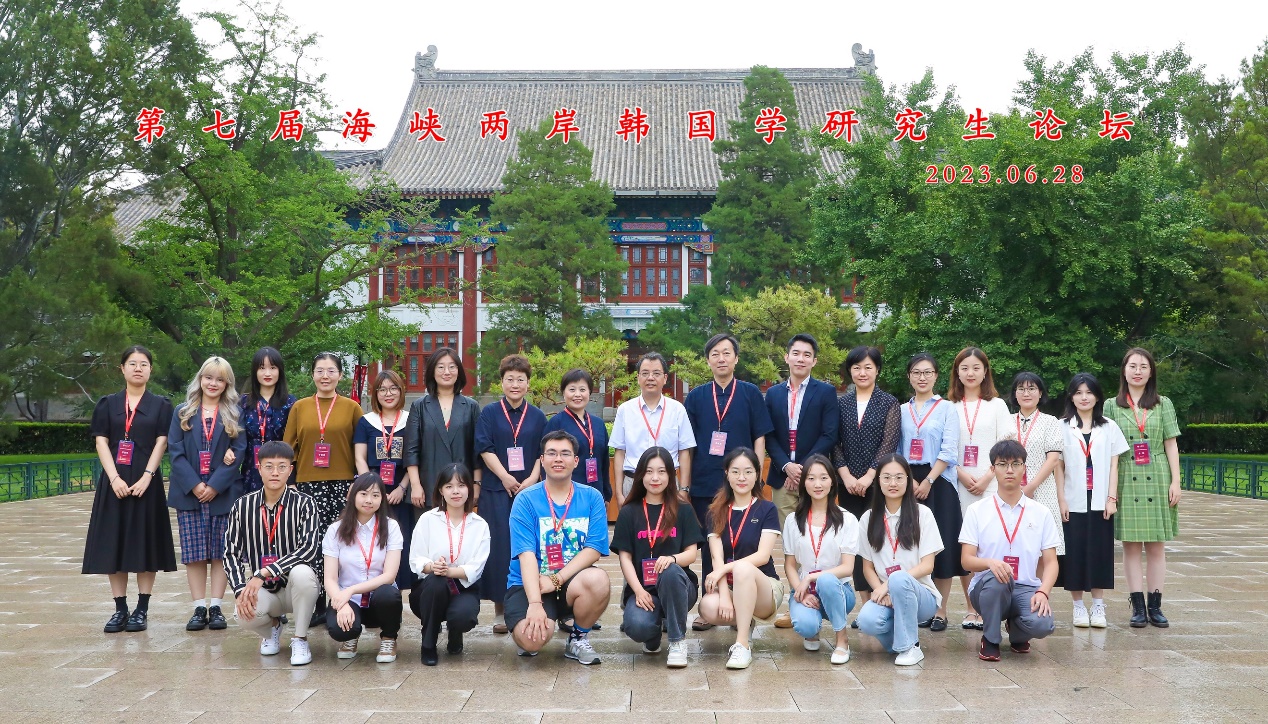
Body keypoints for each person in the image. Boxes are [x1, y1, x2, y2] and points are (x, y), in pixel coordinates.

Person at [83, 345, 177, 633]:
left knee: (145, 545)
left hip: (146, 483)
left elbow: (162, 441)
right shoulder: (107, 404)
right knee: (115, 543)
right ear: (122, 368)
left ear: (150, 369)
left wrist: (149, 475)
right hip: (115, 484)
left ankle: (142, 609)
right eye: (133, 363)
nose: (138, 368)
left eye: (144, 364)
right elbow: (101, 441)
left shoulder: (161, 405)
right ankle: (120, 609)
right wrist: (113, 478)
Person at [505, 430, 612, 664]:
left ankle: (578, 638)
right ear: (542, 460)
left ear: (576, 461)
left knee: (598, 579)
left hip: (570, 582)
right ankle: (532, 622)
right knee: (532, 640)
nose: (558, 459)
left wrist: (557, 579)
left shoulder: (592, 497)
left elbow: (594, 548)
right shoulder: (525, 500)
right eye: (551, 453)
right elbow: (526, 555)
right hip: (531, 583)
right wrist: (535, 603)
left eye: (565, 454)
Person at [685, 334, 773, 617]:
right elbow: (687, 445)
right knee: (711, 543)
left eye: (726, 353)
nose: (721, 359)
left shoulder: (750, 393)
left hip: (742, 482)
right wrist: (685, 485)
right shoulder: (696, 396)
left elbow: (759, 436)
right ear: (708, 360)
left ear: (736, 358)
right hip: (705, 482)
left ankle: (745, 604)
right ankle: (711, 603)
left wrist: (757, 477)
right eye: (715, 354)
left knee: (744, 538)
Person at [167, 356, 247, 632]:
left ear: (227, 384)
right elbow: (175, 452)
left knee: (220, 552)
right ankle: (199, 607)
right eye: (208, 377)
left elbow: (239, 451)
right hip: (189, 492)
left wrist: (214, 485)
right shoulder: (183, 412)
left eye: (219, 379)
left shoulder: (234, 413)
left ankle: (216, 606)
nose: (213, 383)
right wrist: (194, 484)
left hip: (222, 492)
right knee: (194, 553)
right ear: (200, 379)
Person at [960, 439, 1059, 662]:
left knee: (1043, 624)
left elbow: (1051, 562)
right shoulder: (977, 510)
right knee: (997, 579)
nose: (1010, 470)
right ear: (993, 469)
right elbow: (966, 560)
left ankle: (1017, 631)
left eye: (1016, 464)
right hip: (988, 587)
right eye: (1003, 464)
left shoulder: (1041, 513)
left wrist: (1043, 592)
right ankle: (990, 639)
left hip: (1025, 587)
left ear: (1024, 468)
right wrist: (989, 563)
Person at [1104, 347, 1182, 628]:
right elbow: (1108, 450)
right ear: (1124, 371)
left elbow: (1171, 443)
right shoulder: (1111, 406)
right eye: (1132, 366)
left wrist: (1176, 481)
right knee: (1131, 547)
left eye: (1143, 367)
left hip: (1158, 474)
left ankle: (1156, 606)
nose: (1137, 371)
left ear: (1151, 372)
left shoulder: (1164, 403)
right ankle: (1137, 606)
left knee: (1157, 546)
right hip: (1127, 476)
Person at [223, 441, 321, 666]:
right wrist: (240, 590)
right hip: (266, 591)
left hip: (297, 588)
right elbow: (230, 553)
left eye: (281, 467)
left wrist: (264, 572)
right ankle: (273, 629)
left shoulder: (305, 503)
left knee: (303, 573)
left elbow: (308, 548)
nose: (275, 473)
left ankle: (300, 639)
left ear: (290, 470)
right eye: (269, 466)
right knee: (241, 614)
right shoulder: (242, 506)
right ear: (259, 468)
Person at [283, 352, 364, 621]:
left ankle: (340, 600)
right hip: (307, 485)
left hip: (344, 485)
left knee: (341, 543)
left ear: (340, 375)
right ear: (313, 375)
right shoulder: (300, 407)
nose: (325, 376)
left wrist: (358, 483)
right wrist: (291, 482)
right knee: (312, 545)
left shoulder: (352, 407)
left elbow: (360, 447)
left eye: (331, 371)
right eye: (320, 371)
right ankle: (315, 602)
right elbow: (289, 447)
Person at [764, 334, 837, 630]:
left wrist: (804, 470)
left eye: (807, 354)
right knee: (791, 544)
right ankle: (796, 599)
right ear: (787, 357)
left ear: (814, 361)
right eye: (796, 353)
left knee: (817, 540)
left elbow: (829, 434)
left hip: (815, 478)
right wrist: (787, 466)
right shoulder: (773, 394)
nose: (801, 359)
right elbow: (769, 435)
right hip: (782, 479)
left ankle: (821, 597)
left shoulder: (826, 392)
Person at [612, 447, 704, 668]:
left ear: (671, 475)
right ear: (640, 475)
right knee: (637, 626)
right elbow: (625, 558)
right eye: (649, 471)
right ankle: (652, 637)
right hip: (644, 590)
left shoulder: (683, 509)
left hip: (678, 587)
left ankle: (677, 641)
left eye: (662, 471)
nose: (655, 478)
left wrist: (672, 559)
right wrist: (638, 590)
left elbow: (691, 553)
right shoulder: (629, 511)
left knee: (669, 571)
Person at [476, 354, 547, 634]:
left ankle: (532, 602)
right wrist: (505, 476)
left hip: (530, 492)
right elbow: (484, 448)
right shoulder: (489, 413)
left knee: (529, 546)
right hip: (496, 489)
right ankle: (500, 609)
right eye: (510, 379)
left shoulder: (538, 415)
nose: (515, 384)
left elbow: (543, 451)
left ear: (528, 383)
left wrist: (532, 479)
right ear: (501, 382)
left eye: (520, 379)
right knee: (500, 548)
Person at [697, 447, 784, 670]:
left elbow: (762, 556)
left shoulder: (767, 509)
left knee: (743, 568)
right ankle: (746, 622)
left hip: (765, 586)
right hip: (732, 586)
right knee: (708, 606)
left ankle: (742, 645)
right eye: (735, 471)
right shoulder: (716, 510)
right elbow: (716, 557)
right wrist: (725, 596)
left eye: (748, 472)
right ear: (727, 473)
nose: (742, 478)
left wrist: (724, 570)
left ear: (757, 474)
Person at [947, 347, 1013, 631]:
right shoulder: (949, 406)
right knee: (967, 543)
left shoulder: (996, 405)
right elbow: (944, 448)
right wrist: (961, 474)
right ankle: (971, 607)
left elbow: (1006, 445)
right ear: (957, 372)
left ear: (985, 371)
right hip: (958, 484)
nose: (970, 373)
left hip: (990, 485)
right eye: (964, 368)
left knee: (990, 542)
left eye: (976, 367)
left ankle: (990, 605)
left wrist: (988, 476)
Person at [855, 454, 944, 666]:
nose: (892, 483)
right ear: (878, 481)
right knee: (866, 621)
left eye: (899, 477)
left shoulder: (923, 514)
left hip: (921, 595)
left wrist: (889, 584)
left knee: (898, 579)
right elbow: (867, 567)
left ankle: (910, 647)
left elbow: (928, 565)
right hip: (887, 594)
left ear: (908, 480)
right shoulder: (868, 518)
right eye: (886, 477)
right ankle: (902, 643)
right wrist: (881, 590)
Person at [833, 345, 901, 602]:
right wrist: (847, 476)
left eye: (868, 367)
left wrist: (870, 476)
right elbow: (834, 442)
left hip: (879, 484)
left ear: (877, 370)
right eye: (857, 367)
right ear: (850, 371)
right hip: (847, 483)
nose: (862, 372)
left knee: (879, 538)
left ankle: (885, 595)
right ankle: (865, 602)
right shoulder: (841, 403)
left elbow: (889, 442)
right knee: (855, 542)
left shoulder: (889, 402)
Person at [898, 353, 961, 632]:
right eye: (916, 372)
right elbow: (897, 447)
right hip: (906, 481)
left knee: (941, 545)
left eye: (927, 372)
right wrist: (910, 480)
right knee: (912, 546)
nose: (921, 377)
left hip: (939, 482)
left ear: (936, 375)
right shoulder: (901, 410)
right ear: (909, 376)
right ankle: (918, 606)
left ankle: (940, 610)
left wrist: (929, 480)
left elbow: (949, 449)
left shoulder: (947, 408)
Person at [1061, 373, 1129, 628]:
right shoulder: (1062, 426)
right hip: (1073, 499)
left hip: (1100, 499)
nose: (1084, 397)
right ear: (1071, 397)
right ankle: (1078, 606)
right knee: (1074, 552)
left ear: (1097, 396)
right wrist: (1061, 500)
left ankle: (1098, 605)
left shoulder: (1109, 426)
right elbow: (1058, 467)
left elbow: (1114, 466)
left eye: (1089, 392)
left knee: (1100, 552)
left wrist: (1112, 498)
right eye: (1078, 393)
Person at [409, 463, 490, 665]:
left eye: (461, 485)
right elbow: (416, 558)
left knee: (464, 616)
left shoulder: (479, 525)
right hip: (430, 590)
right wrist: (432, 567)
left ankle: (455, 631)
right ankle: (428, 643)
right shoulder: (427, 519)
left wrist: (449, 572)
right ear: (440, 490)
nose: (456, 491)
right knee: (436, 582)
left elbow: (476, 567)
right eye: (449, 486)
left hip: (463, 588)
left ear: (469, 489)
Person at [782, 454, 858, 664]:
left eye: (823, 478)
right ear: (803, 483)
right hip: (805, 590)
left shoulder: (847, 519)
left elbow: (847, 567)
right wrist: (801, 589)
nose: (818, 484)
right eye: (811, 478)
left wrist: (811, 577)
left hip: (839, 590)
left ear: (832, 481)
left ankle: (842, 640)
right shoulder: (793, 520)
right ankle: (812, 629)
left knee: (825, 580)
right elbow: (790, 565)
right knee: (805, 625)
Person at [323, 472, 403, 663]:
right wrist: (342, 602)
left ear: (382, 499)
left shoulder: (391, 527)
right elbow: (330, 578)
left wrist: (351, 590)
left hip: (378, 599)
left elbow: (389, 576)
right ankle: (351, 636)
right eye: (364, 494)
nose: (369, 500)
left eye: (375, 495)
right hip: (348, 599)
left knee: (389, 594)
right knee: (339, 630)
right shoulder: (335, 530)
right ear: (353, 496)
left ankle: (389, 638)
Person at [611, 352, 696, 507]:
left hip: (668, 484)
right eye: (645, 373)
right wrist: (619, 493)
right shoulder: (625, 410)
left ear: (665, 378)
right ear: (638, 378)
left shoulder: (677, 409)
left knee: (670, 523)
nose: (650, 378)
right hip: (633, 483)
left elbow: (684, 451)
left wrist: (683, 490)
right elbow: (620, 452)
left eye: (656, 373)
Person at [355, 370, 415, 589]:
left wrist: (402, 487)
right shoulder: (366, 422)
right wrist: (373, 490)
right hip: (373, 492)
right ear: (375, 393)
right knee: (374, 541)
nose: (388, 394)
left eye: (393, 389)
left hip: (402, 492)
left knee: (401, 539)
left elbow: (415, 458)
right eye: (382, 389)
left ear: (401, 391)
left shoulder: (411, 420)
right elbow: (360, 458)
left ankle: (398, 592)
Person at [405, 347, 482, 509]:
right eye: (441, 367)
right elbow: (411, 450)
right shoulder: (419, 406)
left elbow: (477, 452)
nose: (447, 372)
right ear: (432, 371)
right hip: (428, 486)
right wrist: (415, 485)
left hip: (462, 487)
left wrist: (476, 484)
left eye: (452, 367)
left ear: (458, 371)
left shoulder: (471, 406)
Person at [1009, 372, 1068, 581]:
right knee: (1014, 543)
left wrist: (1031, 487)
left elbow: (1053, 460)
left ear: (1040, 393)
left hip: (1042, 490)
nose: (1026, 393)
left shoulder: (1050, 422)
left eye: (1031, 389)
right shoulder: (1007, 421)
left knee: (1043, 549)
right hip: (1011, 490)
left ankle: (1039, 594)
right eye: (1021, 389)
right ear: (1015, 393)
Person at [543, 368, 611, 502]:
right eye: (572, 389)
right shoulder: (556, 423)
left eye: (582, 389)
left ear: (589, 392)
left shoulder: (598, 424)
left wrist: (606, 494)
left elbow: (604, 461)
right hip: (565, 496)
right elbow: (546, 462)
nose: (577, 394)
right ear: (564, 393)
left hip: (596, 493)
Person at [238, 347, 296, 495]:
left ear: (280, 371)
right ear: (255, 371)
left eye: (273, 368)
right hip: (251, 470)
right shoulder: (243, 402)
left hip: (280, 470)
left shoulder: (291, 403)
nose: (267, 373)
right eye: (262, 368)